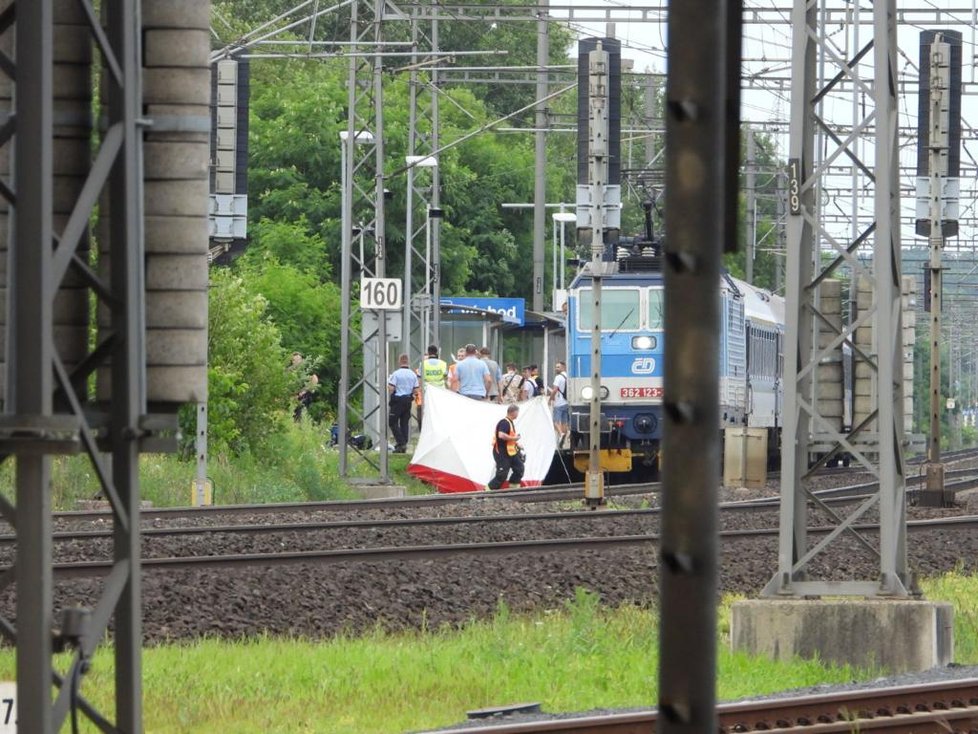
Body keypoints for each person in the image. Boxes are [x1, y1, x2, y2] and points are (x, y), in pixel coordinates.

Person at [487, 403, 525, 490]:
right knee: (502, 475)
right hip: (502, 452)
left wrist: (517, 444)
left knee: (519, 468)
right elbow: (501, 435)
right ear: (513, 412)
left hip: (511, 452)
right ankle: (487, 492)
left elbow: (510, 439)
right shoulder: (504, 422)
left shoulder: (510, 423)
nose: (518, 415)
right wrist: (514, 438)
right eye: (517, 412)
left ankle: (514, 489)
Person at [387, 353, 420, 453]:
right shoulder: (413, 374)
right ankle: (403, 444)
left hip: (398, 401)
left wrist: (390, 386)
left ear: (400, 361)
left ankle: (401, 442)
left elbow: (391, 388)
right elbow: (416, 390)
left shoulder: (396, 374)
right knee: (404, 423)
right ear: (408, 361)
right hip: (408, 400)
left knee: (392, 422)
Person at [417, 345, 448, 429]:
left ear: (428, 352)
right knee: (439, 411)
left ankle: (428, 428)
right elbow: (445, 377)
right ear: (436, 352)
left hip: (427, 390)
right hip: (440, 390)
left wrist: (419, 390)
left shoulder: (423, 364)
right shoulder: (443, 363)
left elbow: (419, 378)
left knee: (428, 411)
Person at [549, 360, 569, 447]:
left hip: (559, 403)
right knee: (564, 422)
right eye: (556, 367)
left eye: (558, 367)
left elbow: (555, 389)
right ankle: (563, 438)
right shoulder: (568, 376)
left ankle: (561, 435)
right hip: (567, 402)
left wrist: (550, 398)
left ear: (563, 367)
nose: (556, 368)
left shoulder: (558, 377)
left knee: (555, 422)